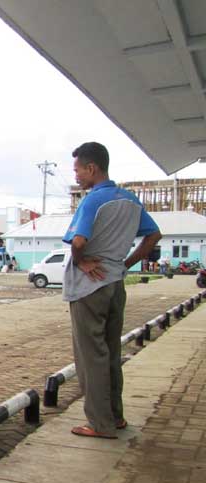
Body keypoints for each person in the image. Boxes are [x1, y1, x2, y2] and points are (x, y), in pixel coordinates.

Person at [63, 142, 162, 439]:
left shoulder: (94, 200)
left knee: (90, 355)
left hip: (90, 288)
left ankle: (99, 424)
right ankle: (115, 417)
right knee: (110, 352)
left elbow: (78, 242)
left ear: (92, 168)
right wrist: (126, 263)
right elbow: (154, 234)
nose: (77, 176)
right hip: (115, 283)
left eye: (78, 170)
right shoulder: (131, 200)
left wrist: (81, 264)